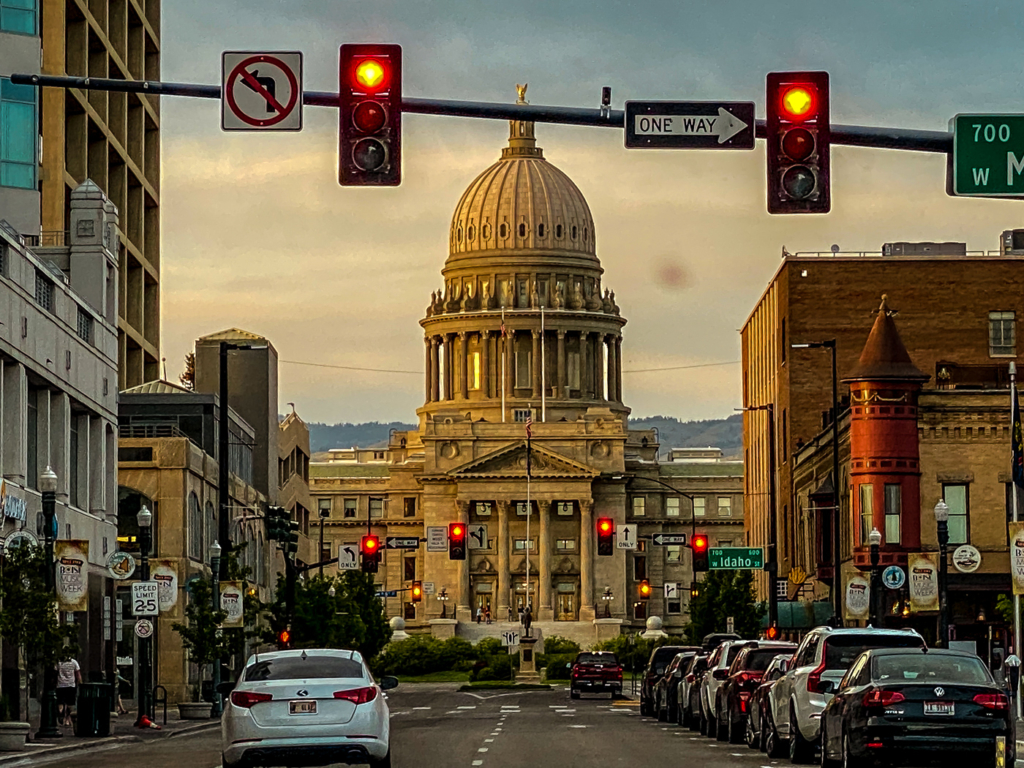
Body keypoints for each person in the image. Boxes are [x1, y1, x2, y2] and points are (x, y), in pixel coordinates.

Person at [56, 657, 82, 726]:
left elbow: (55, 672)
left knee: (60, 702)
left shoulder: (59, 663)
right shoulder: (74, 662)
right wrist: (80, 683)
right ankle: (67, 719)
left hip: (60, 685)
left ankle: (61, 714)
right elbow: (78, 674)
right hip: (71, 685)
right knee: (70, 704)